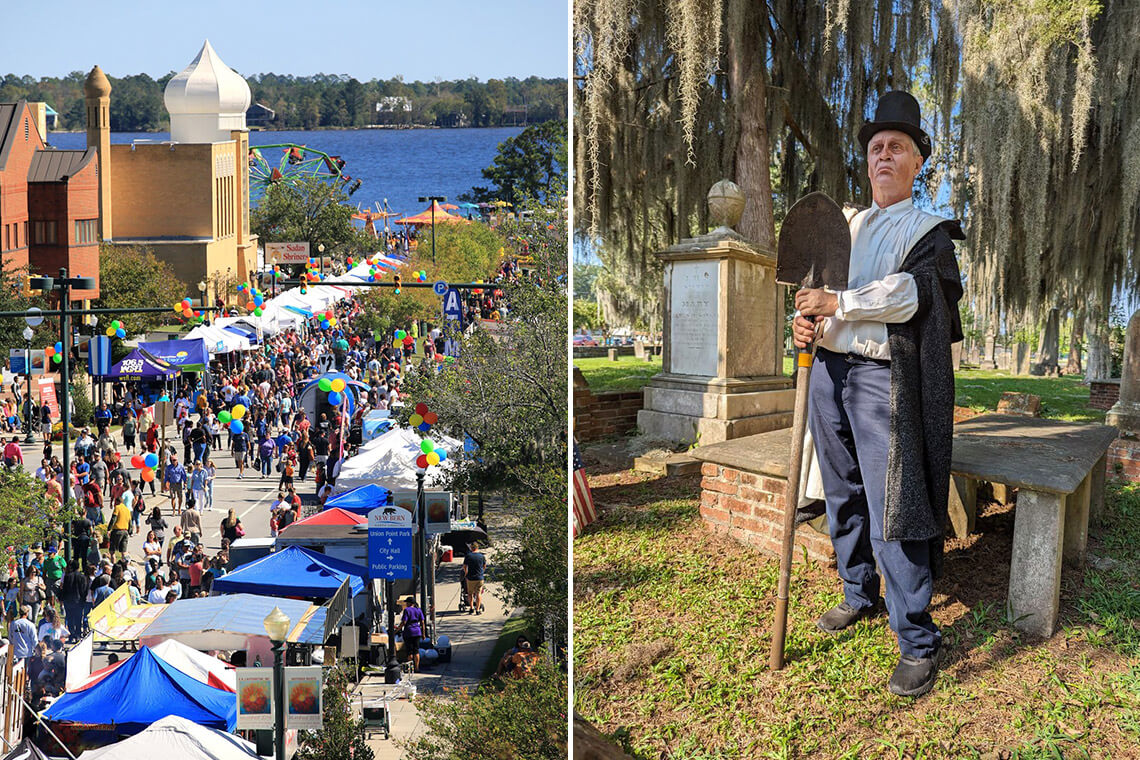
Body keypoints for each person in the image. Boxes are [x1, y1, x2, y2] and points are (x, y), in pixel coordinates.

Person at [790, 91, 963, 699]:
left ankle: (916, 638)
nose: (883, 156)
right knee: (841, 491)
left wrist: (839, 302)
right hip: (826, 370)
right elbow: (812, 292)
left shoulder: (929, 233)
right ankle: (857, 590)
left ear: (918, 161)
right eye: (876, 148)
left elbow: (911, 296)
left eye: (896, 147)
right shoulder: (846, 225)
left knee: (893, 504)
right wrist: (805, 321)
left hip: (882, 379)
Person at [396, 596, 425, 673]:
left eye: (406, 602)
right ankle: (417, 668)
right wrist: (423, 634)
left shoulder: (407, 610)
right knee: (416, 650)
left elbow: (404, 622)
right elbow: (422, 622)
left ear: (409, 603)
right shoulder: (418, 610)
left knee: (409, 651)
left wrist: (397, 630)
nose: (406, 604)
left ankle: (410, 668)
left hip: (409, 632)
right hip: (417, 631)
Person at [462, 542, 487, 615]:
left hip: (470, 577)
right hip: (479, 577)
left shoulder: (468, 556)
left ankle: (471, 608)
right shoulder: (481, 556)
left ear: (471, 548)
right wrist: (482, 572)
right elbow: (484, 566)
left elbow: (464, 566)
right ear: (477, 547)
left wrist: (466, 573)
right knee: (478, 593)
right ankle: (478, 609)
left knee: (470, 593)